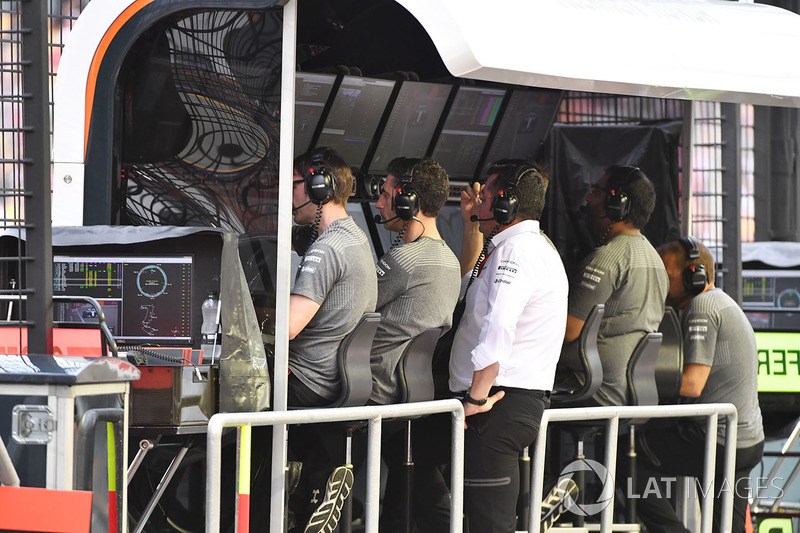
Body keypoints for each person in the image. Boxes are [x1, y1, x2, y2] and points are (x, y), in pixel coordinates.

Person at [450, 159, 569, 533]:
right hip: (509, 403)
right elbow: (470, 287)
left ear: (507, 203)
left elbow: (499, 325)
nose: (479, 200)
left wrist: (475, 398)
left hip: (495, 405)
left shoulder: (515, 252)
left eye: (485, 196)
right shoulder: (528, 246)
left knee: (489, 523)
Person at [632, 237, 765, 533]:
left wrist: (635, 383)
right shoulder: (722, 301)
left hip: (716, 440)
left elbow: (692, 384)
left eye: (664, 274)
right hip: (746, 440)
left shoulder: (702, 307)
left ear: (695, 276)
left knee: (624, 457)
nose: (659, 282)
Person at [557, 165, 668, 406]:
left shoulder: (607, 259)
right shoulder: (656, 260)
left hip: (589, 388)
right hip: (630, 392)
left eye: (596, 192)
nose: (588, 198)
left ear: (618, 204)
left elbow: (566, 331)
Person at [287, 146, 378, 406]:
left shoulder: (328, 248)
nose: (287, 196)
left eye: (292, 186)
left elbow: (289, 327)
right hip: (330, 379)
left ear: (317, 187)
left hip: (306, 379)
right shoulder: (354, 237)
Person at [370, 157, 461, 404]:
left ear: (406, 201)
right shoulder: (451, 261)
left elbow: (353, 306)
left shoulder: (405, 260)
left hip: (372, 389)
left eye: (386, 196)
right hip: (409, 390)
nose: (378, 204)